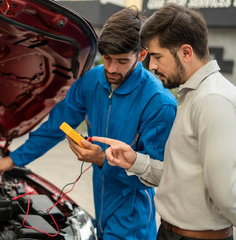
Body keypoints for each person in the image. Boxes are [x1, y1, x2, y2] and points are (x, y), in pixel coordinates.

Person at [0, 7, 177, 239]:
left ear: (142, 55)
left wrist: (102, 159)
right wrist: (14, 159)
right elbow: (56, 125)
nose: (111, 69)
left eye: (122, 61)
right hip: (99, 211)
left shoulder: (159, 103)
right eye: (107, 58)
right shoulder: (93, 80)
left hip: (132, 225)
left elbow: (155, 176)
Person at [93, 3, 236, 240]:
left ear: (186, 52)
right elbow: (180, 176)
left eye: (158, 56)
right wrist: (135, 161)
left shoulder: (213, 99)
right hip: (174, 233)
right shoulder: (193, 95)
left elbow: (226, 193)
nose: (152, 66)